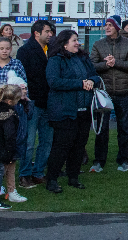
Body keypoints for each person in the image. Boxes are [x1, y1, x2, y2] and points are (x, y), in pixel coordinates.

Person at [44, 30, 100, 194]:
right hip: (64, 111)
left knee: (79, 145)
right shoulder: (56, 60)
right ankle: (52, 179)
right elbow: (54, 82)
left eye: (78, 40)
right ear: (64, 43)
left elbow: (95, 76)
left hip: (84, 110)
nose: (78, 43)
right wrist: (80, 84)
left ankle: (73, 177)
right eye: (74, 40)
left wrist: (91, 80)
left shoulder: (83, 58)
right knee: (61, 146)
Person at [89, 14, 128, 173]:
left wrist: (116, 62)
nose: (107, 28)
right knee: (101, 129)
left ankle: (123, 159)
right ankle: (99, 161)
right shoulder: (98, 44)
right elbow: (92, 65)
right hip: (104, 93)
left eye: (110, 25)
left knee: (123, 128)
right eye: (106, 25)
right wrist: (106, 64)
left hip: (123, 92)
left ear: (117, 27)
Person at [16, 19, 54, 188]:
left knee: (46, 141)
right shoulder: (25, 51)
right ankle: (24, 174)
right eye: (47, 31)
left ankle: (38, 172)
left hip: (49, 102)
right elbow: (23, 76)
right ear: (37, 33)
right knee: (29, 141)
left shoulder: (51, 50)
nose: (50, 34)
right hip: (32, 102)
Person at [0, 71, 28, 203]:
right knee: (2, 168)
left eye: (25, 89)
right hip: (9, 143)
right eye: (22, 89)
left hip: (17, 142)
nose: (25, 91)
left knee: (11, 167)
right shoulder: (9, 110)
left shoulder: (23, 106)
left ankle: (11, 190)